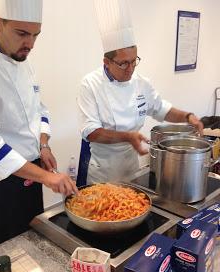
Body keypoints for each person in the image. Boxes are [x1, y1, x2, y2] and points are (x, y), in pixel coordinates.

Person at [0, 0, 78, 248]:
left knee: (35, 236)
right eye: (22, 33)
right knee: (10, 247)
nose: (31, 44)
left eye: (36, 35)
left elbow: (39, 109)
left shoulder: (21, 57)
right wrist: (46, 177)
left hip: (33, 169)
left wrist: (43, 144)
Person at [78, 0, 203, 184]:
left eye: (134, 61)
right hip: (102, 172)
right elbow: (91, 132)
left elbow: (162, 109)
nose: (130, 69)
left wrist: (188, 116)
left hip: (131, 168)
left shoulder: (141, 82)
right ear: (106, 62)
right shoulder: (90, 84)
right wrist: (128, 136)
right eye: (123, 63)